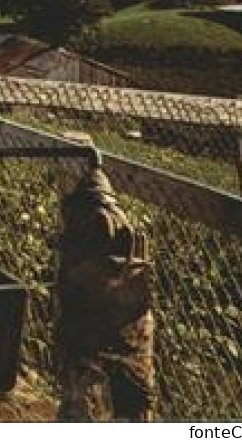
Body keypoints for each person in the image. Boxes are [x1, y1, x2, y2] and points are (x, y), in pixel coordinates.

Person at [54, 165, 155, 421]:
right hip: (123, 326)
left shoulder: (96, 221)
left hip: (106, 326)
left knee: (98, 395)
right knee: (130, 398)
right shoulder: (106, 222)